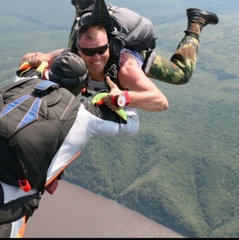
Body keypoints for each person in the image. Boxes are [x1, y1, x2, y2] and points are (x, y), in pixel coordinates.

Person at [0, 52, 155, 238]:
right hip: (7, 208)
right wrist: (121, 95)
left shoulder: (22, 82)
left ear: (49, 74)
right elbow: (131, 125)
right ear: (83, 87)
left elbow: (27, 65)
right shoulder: (84, 115)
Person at [19, 2, 218, 113]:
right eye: (89, 52)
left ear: (109, 45)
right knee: (80, 31)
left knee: (182, 74)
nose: (96, 57)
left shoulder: (125, 69)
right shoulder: (71, 55)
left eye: (101, 49)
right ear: (78, 52)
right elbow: (25, 61)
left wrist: (123, 97)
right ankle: (85, 7)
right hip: (80, 45)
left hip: (132, 54)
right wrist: (35, 57)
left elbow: (161, 101)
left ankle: (197, 21)